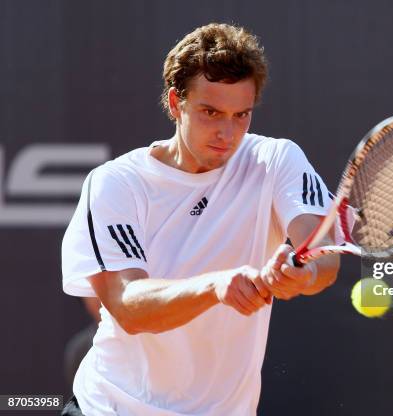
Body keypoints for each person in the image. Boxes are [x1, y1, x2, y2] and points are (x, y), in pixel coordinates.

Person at [61, 23, 340, 415]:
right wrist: (216, 285)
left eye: (241, 115)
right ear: (176, 103)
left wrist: (304, 274)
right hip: (110, 408)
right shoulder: (116, 184)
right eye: (211, 112)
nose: (227, 133)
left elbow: (323, 251)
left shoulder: (276, 160)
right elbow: (127, 306)